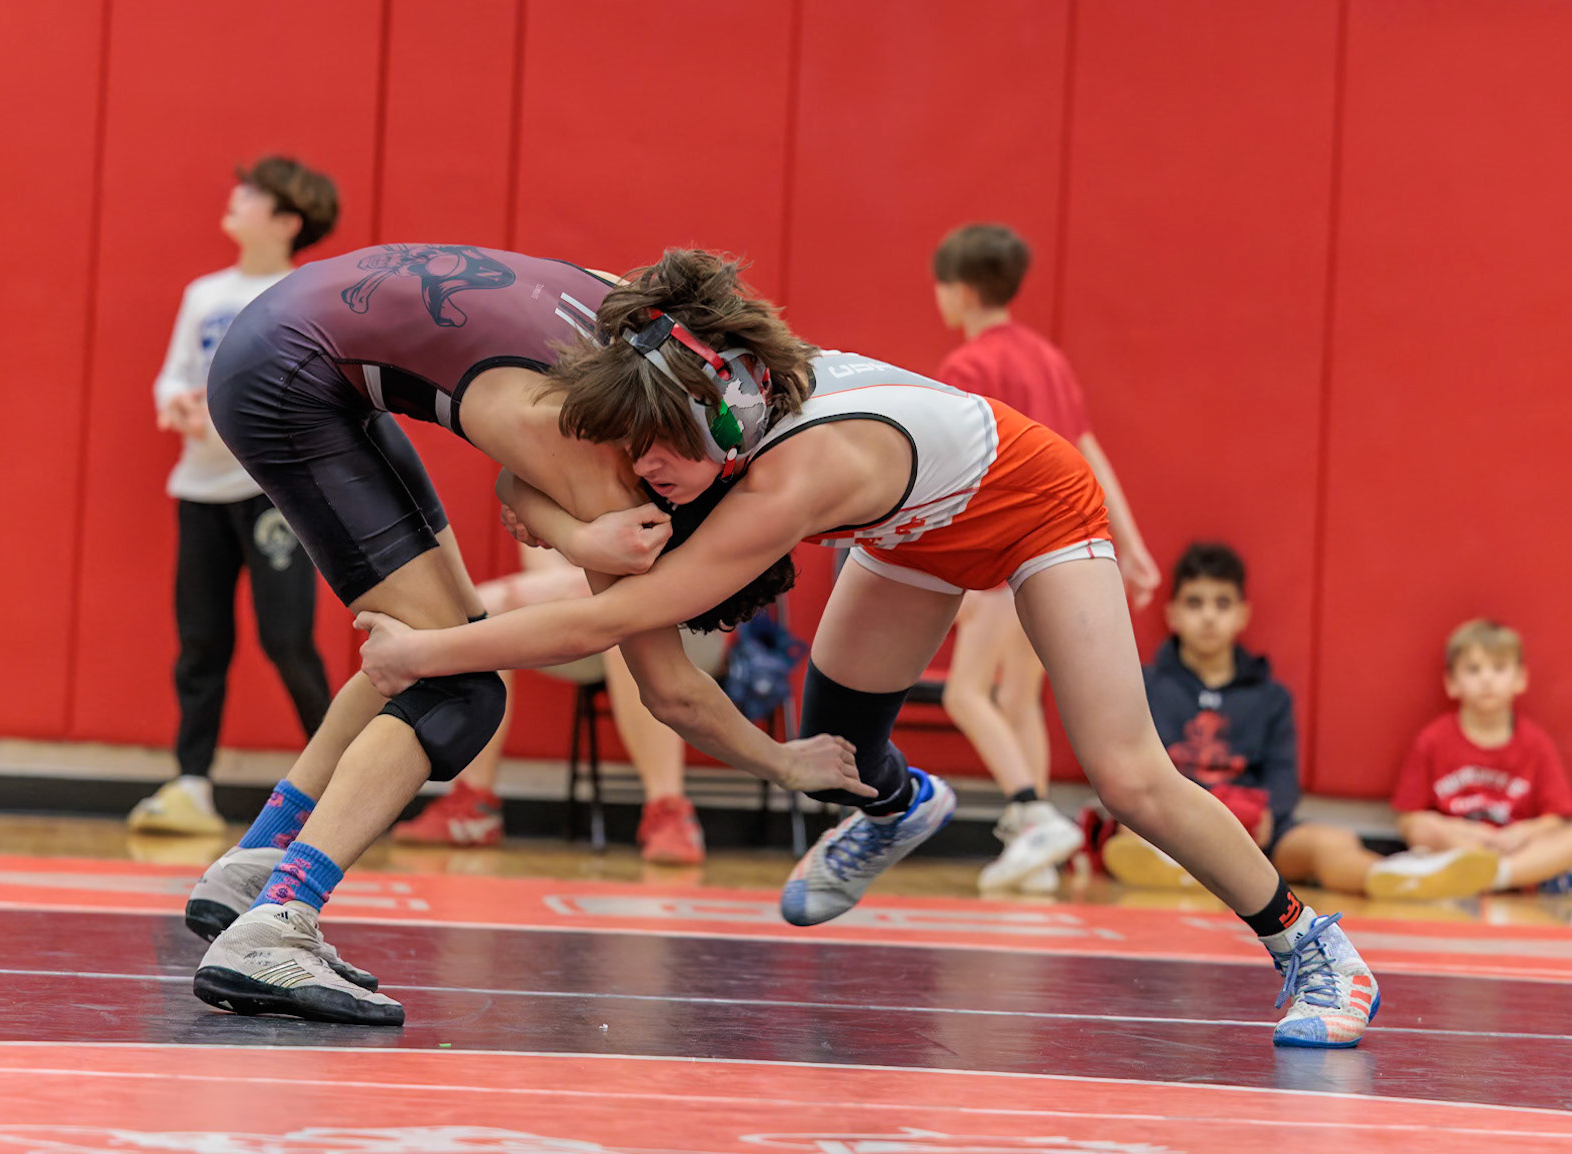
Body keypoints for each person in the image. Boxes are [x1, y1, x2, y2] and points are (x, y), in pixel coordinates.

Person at [359, 249, 1383, 1048]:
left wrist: (426, 651)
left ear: (723, 422)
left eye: (656, 450)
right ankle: (898, 806)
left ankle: (1314, 947)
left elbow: (607, 622)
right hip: (913, 531)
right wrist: (575, 529)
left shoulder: (791, 477)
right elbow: (523, 476)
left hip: (1034, 506)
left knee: (1128, 775)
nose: (639, 467)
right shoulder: (712, 406)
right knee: (837, 747)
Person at [184, 243, 862, 1027]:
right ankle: (276, 924)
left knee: (445, 647)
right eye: (667, 455)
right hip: (291, 372)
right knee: (457, 693)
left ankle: (256, 866)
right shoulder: (599, 461)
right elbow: (667, 689)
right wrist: (782, 762)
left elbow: (516, 474)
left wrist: (573, 537)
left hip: (306, 343)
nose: (657, 472)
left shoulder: (647, 325)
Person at [929, 223, 1160, 894]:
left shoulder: (966, 368)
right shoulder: (1048, 359)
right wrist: (1132, 546)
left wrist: (958, 567)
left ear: (961, 292)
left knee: (965, 692)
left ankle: (1030, 812)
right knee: (1018, 698)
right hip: (1057, 556)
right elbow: (1087, 452)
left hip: (1003, 555)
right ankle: (1038, 853)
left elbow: (960, 476)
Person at [127, 157, 340, 837]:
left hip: (274, 492)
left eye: (253, 195)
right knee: (200, 640)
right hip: (200, 490)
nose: (236, 199)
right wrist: (177, 404)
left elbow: (312, 394)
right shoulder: (204, 293)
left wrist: (233, 416)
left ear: (287, 221)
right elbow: (173, 374)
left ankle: (340, 783)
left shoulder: (305, 296)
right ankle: (191, 784)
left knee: (287, 638)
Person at [1104, 542, 1500, 901]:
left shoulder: (1271, 697)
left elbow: (1282, 780)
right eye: (1195, 603)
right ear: (1172, 614)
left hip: (1256, 834)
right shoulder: (1146, 685)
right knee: (1132, 831)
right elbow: (1135, 769)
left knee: (1332, 842)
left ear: (1243, 614)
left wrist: (1265, 817)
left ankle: (1392, 876)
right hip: (1177, 823)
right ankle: (1181, 866)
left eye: (1222, 604)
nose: (1209, 616)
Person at [393, 543, 709, 864]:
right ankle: (474, 806)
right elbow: (543, 569)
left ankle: (669, 808)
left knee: (634, 632)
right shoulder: (540, 507)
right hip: (588, 609)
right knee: (481, 618)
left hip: (689, 618)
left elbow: (687, 574)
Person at [1391, 619, 1572, 894]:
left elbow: (1557, 818)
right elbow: (1408, 819)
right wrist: (1461, 833)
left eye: (1498, 668)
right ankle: (1473, 871)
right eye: (1474, 669)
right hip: (1457, 848)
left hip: (1517, 852)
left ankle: (1498, 876)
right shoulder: (1432, 740)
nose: (1486, 679)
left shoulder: (1537, 744)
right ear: (1452, 683)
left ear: (1520, 679)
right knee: (1420, 827)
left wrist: (1521, 833)